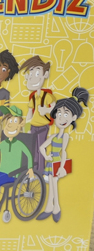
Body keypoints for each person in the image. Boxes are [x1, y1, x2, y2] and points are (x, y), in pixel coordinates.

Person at [37, 87, 88, 222]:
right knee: (51, 185)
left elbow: (64, 152)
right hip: (51, 163)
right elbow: (42, 147)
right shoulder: (53, 136)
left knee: (54, 185)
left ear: (73, 118)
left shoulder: (65, 137)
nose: (61, 117)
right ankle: (50, 208)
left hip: (57, 163)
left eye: (66, 114)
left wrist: (61, 167)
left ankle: (56, 208)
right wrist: (46, 156)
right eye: (59, 113)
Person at [20, 55, 54, 174]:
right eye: (31, 73)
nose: (33, 77)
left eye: (37, 73)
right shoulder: (33, 97)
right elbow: (29, 113)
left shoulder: (47, 96)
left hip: (43, 126)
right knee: (32, 149)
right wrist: (27, 128)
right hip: (33, 126)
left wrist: (46, 110)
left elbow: (54, 107)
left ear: (45, 74)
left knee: (41, 148)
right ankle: (32, 171)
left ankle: (40, 171)